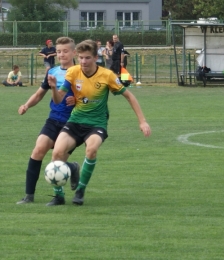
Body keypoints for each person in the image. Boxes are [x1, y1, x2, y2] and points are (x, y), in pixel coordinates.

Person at [47, 39, 151, 206]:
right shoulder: (73, 72)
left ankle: (80, 190)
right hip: (75, 120)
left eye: (87, 58)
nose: (83, 62)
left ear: (96, 57)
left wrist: (142, 122)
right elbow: (59, 99)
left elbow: (129, 96)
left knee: (92, 149)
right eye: (80, 57)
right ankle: (58, 196)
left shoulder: (107, 75)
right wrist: (53, 88)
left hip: (96, 123)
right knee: (57, 154)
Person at [16, 37, 80, 206]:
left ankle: (59, 196)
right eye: (59, 51)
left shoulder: (81, 72)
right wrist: (26, 105)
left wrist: (78, 100)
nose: (61, 55)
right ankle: (29, 195)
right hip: (54, 119)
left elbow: (92, 97)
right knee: (38, 151)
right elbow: (39, 94)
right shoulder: (52, 72)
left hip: (73, 122)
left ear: (74, 52)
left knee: (56, 160)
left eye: (65, 51)